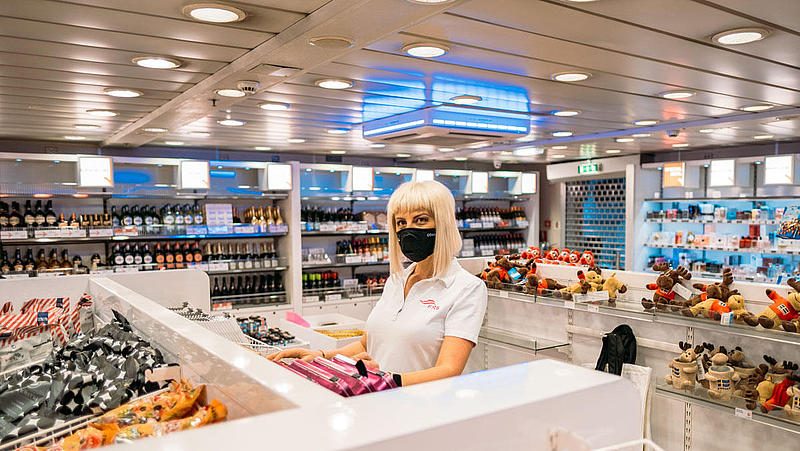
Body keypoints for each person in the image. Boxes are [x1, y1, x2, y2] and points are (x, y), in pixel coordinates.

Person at [267, 180, 487, 386]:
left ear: (444, 223)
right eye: (401, 222)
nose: (408, 229)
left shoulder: (466, 288)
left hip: (424, 410)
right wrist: (321, 357)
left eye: (420, 220)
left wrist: (385, 380)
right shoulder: (396, 280)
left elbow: (449, 369)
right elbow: (367, 344)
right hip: (376, 399)